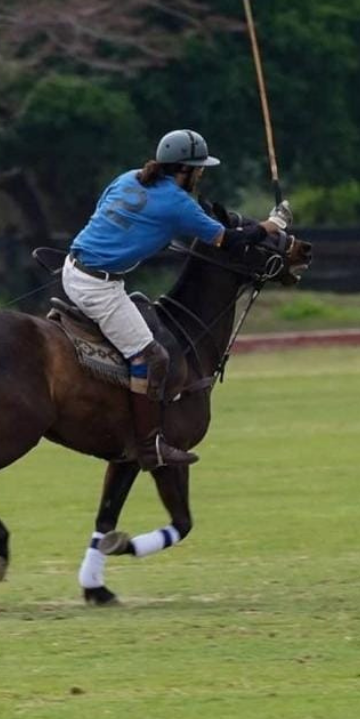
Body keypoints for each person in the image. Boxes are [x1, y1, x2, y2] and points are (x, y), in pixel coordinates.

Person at [64, 129, 292, 470]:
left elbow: (104, 213)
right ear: (184, 169)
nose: (201, 175)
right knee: (151, 356)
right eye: (199, 169)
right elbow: (229, 241)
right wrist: (273, 224)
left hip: (72, 266)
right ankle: (149, 446)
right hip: (98, 287)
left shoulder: (128, 178)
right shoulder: (177, 204)